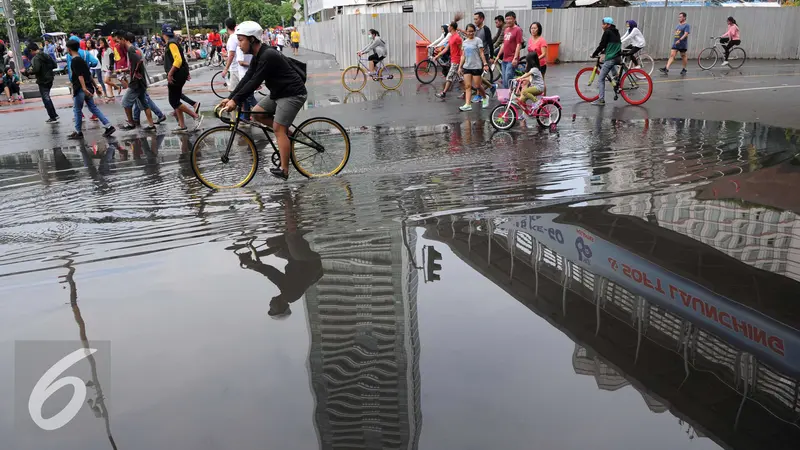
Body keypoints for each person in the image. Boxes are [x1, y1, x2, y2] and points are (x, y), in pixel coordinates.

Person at [220, 21, 308, 181]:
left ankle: (284, 170)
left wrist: (236, 101)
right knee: (257, 114)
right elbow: (247, 77)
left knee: (278, 129)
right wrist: (232, 97)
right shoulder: (257, 56)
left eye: (241, 40)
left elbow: (254, 82)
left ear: (252, 39)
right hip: (279, 93)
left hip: (293, 94)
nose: (239, 44)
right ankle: (287, 136)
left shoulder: (267, 55)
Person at [65, 39, 115, 139]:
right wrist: (95, 86)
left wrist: (83, 88)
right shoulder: (82, 60)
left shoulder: (74, 60)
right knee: (93, 108)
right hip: (89, 87)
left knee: (77, 109)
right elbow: (88, 74)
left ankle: (78, 132)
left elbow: (80, 76)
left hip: (80, 89)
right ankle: (108, 125)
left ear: (69, 49)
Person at [161, 23, 203, 134]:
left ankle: (195, 116)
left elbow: (178, 60)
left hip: (176, 75)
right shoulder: (174, 42)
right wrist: (186, 72)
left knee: (173, 101)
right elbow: (182, 58)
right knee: (176, 100)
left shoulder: (171, 43)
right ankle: (182, 125)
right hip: (180, 74)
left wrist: (170, 74)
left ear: (163, 34)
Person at [115, 32, 158, 132]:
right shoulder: (134, 49)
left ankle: (131, 123)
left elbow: (139, 61)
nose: (119, 43)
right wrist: (124, 70)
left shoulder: (131, 50)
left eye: (119, 40)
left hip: (136, 82)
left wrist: (135, 73)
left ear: (125, 40)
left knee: (125, 102)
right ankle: (151, 125)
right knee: (144, 103)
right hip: (140, 81)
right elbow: (134, 65)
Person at [23, 43, 59, 123]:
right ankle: (54, 114)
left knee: (46, 98)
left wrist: (26, 72)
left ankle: (52, 116)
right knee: (47, 97)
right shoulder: (46, 55)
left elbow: (35, 69)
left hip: (42, 80)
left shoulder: (36, 58)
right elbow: (54, 65)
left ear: (31, 50)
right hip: (50, 78)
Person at [590, 17, 622, 107]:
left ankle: (601, 100)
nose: (602, 25)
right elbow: (610, 46)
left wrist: (594, 54)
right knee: (608, 63)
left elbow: (602, 45)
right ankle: (616, 79)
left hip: (611, 58)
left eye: (603, 24)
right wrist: (603, 53)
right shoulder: (616, 32)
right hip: (617, 57)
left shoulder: (607, 32)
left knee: (601, 79)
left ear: (608, 25)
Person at [458, 24, 490, 111]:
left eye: (472, 31)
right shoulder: (464, 42)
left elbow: (481, 53)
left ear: (474, 31)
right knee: (467, 86)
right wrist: (460, 67)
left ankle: (485, 97)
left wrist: (485, 64)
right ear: (466, 32)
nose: (470, 33)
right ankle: (468, 104)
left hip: (476, 66)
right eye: (469, 31)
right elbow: (463, 56)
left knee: (477, 86)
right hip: (467, 66)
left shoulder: (478, 40)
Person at [434, 22, 463, 100]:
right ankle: (467, 91)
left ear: (452, 28)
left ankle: (443, 93)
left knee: (449, 76)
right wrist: (437, 55)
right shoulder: (451, 37)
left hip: (457, 61)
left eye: (449, 26)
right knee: (460, 79)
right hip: (453, 60)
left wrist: (461, 62)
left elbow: (462, 50)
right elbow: (446, 48)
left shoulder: (457, 38)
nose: (447, 27)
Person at [494, 11, 523, 89]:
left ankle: (510, 96)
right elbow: (504, 44)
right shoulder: (506, 29)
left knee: (508, 78)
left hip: (512, 58)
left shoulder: (518, 30)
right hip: (504, 58)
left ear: (514, 19)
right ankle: (506, 96)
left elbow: (518, 44)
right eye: (507, 19)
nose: (508, 21)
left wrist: (515, 58)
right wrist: (498, 56)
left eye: (510, 19)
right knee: (504, 79)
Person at [660, 12, 690, 76]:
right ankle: (666, 68)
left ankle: (684, 69)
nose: (679, 18)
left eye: (680, 17)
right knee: (672, 55)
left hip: (682, 44)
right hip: (675, 43)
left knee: (683, 56)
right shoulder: (678, 25)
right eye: (679, 17)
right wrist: (676, 40)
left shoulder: (686, 25)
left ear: (684, 18)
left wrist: (680, 40)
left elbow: (686, 34)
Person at [473, 11, 496, 100]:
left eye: (476, 19)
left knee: (478, 76)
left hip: (484, 55)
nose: (475, 21)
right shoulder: (474, 29)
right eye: (474, 19)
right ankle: (491, 86)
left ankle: (479, 95)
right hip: (475, 56)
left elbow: (490, 43)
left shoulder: (485, 29)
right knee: (476, 76)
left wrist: (491, 56)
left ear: (482, 19)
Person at [222, 18, 241, 91]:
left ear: (226, 27)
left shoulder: (232, 38)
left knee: (233, 91)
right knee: (239, 93)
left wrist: (226, 69)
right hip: (238, 67)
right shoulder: (237, 36)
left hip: (235, 68)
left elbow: (232, 55)